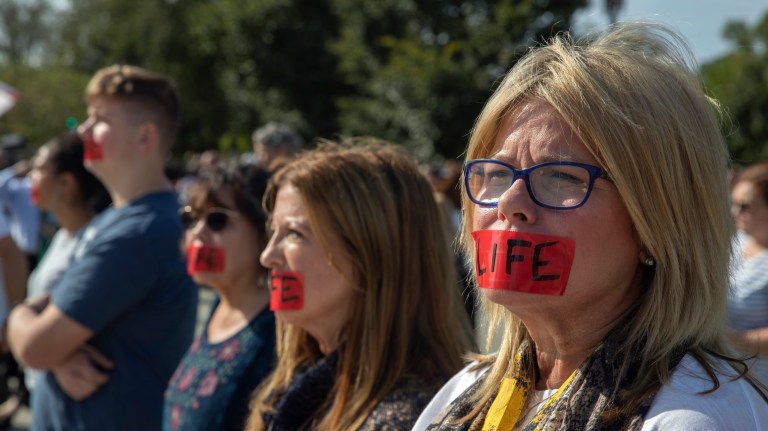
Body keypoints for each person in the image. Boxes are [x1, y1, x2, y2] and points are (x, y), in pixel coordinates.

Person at [413, 23, 768, 431]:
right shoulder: (461, 397)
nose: (510, 204)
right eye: (495, 173)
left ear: (657, 221)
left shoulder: (693, 416)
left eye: (561, 178)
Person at [7, 65, 198, 430]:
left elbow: (35, 347)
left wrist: (26, 323)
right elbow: (46, 339)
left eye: (100, 119)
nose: (83, 130)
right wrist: (54, 353)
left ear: (145, 138)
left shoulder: (140, 232)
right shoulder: (118, 220)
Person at [247, 140, 475, 430]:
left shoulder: (409, 416)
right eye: (273, 231)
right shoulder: (300, 379)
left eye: (294, 233)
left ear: (371, 253)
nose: (268, 257)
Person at [163, 163, 276, 431]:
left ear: (264, 233)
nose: (197, 233)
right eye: (191, 218)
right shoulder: (219, 305)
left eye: (217, 220)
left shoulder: (278, 331)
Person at [23, 131, 111, 392]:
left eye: (39, 170)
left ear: (66, 183)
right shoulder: (64, 235)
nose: (30, 179)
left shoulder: (92, 244)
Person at [727, 161, 768, 384]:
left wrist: (733, 340)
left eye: (745, 206)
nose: (734, 212)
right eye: (734, 203)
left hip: (760, 387)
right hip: (727, 381)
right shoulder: (735, 243)